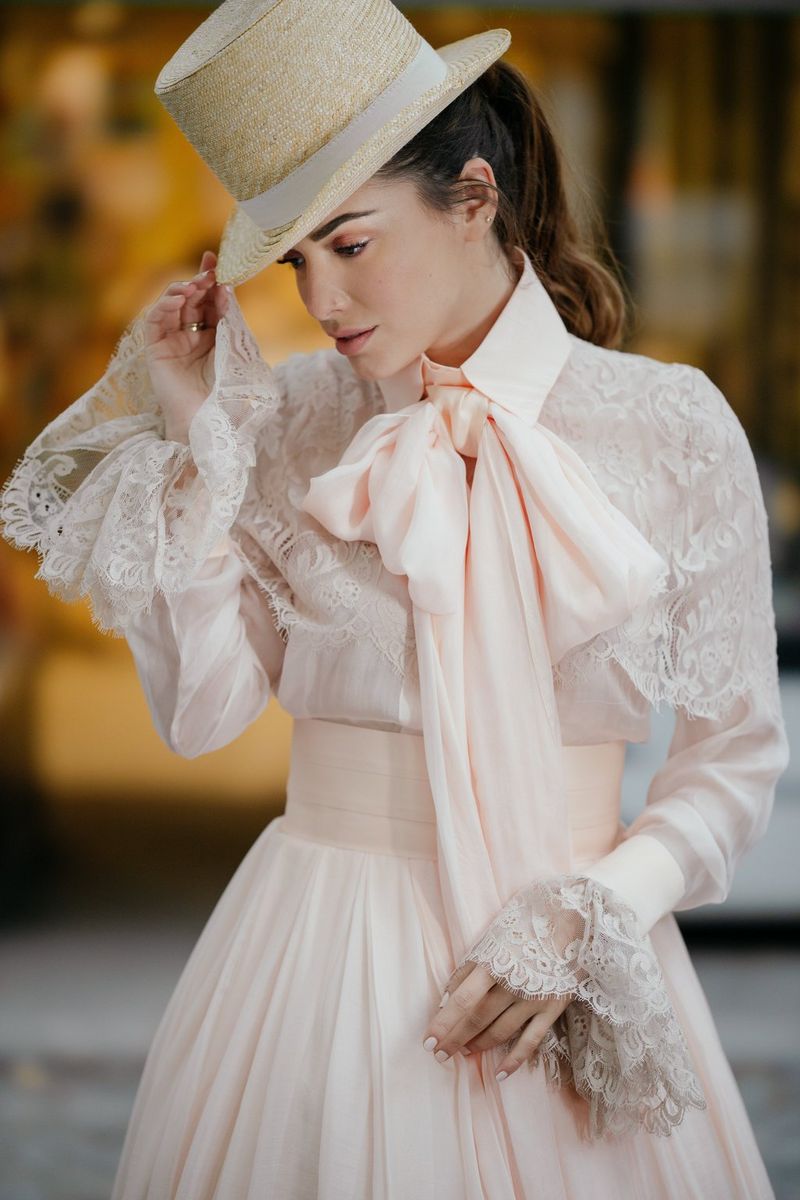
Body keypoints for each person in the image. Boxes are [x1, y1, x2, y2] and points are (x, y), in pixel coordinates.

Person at [0, 2, 790, 1197]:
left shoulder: (668, 429)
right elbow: (205, 713)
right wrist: (194, 431)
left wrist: (590, 914)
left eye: (350, 245)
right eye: (296, 260)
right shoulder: (285, 425)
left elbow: (731, 758)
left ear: (473, 197)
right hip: (318, 962)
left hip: (571, 958)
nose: (320, 302)